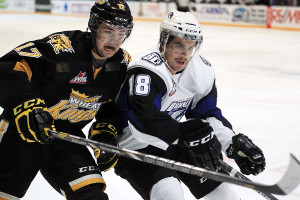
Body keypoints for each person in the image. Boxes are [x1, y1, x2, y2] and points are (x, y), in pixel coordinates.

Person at [114, 10, 266, 200]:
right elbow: (142, 122)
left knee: (225, 196)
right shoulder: (146, 71)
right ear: (164, 41)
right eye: (178, 45)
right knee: (170, 195)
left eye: (190, 47)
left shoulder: (200, 70)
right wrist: (186, 134)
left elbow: (207, 114)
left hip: (178, 142)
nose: (184, 54)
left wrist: (233, 144)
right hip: (136, 148)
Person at [0, 0, 133, 199]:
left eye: (122, 33)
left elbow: (111, 105)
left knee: (92, 196)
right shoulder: (64, 47)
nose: (115, 40)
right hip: (24, 131)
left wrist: (105, 131)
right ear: (94, 26)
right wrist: (24, 103)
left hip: (64, 137)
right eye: (108, 31)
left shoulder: (121, 63)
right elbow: (8, 68)